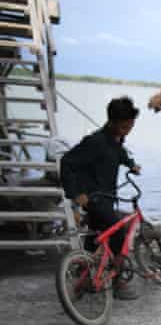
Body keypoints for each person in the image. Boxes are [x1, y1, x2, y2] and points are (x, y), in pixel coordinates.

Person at [61, 96, 141, 299]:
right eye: (125, 126)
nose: (128, 130)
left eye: (130, 125)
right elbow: (67, 162)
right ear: (113, 122)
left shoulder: (115, 139)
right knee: (118, 233)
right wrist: (75, 193)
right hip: (94, 198)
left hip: (106, 196)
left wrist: (130, 163)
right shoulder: (95, 142)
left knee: (97, 235)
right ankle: (117, 283)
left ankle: (85, 272)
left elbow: (119, 152)